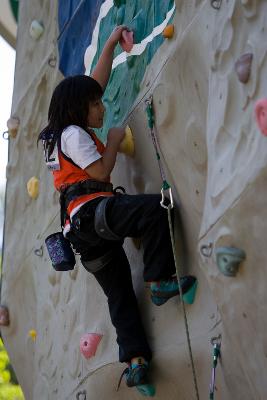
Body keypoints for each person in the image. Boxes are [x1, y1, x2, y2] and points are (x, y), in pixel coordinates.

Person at [39, 26, 196, 389]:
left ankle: (137, 363)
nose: (102, 106)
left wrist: (109, 43)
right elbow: (101, 170)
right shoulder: (75, 135)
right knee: (156, 209)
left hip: (83, 237)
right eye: (95, 104)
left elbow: (94, 83)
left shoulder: (55, 139)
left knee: (120, 295)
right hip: (95, 216)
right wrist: (111, 140)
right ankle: (159, 280)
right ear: (79, 109)